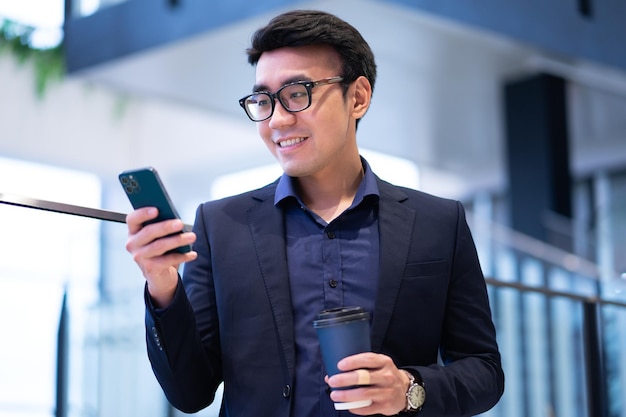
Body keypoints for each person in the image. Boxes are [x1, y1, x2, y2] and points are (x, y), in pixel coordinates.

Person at [125, 9, 504, 417]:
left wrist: (409, 389)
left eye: (297, 93)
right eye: (263, 100)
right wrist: (163, 286)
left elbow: (484, 371)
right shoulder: (221, 226)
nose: (278, 120)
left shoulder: (437, 223)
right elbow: (190, 393)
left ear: (357, 97)